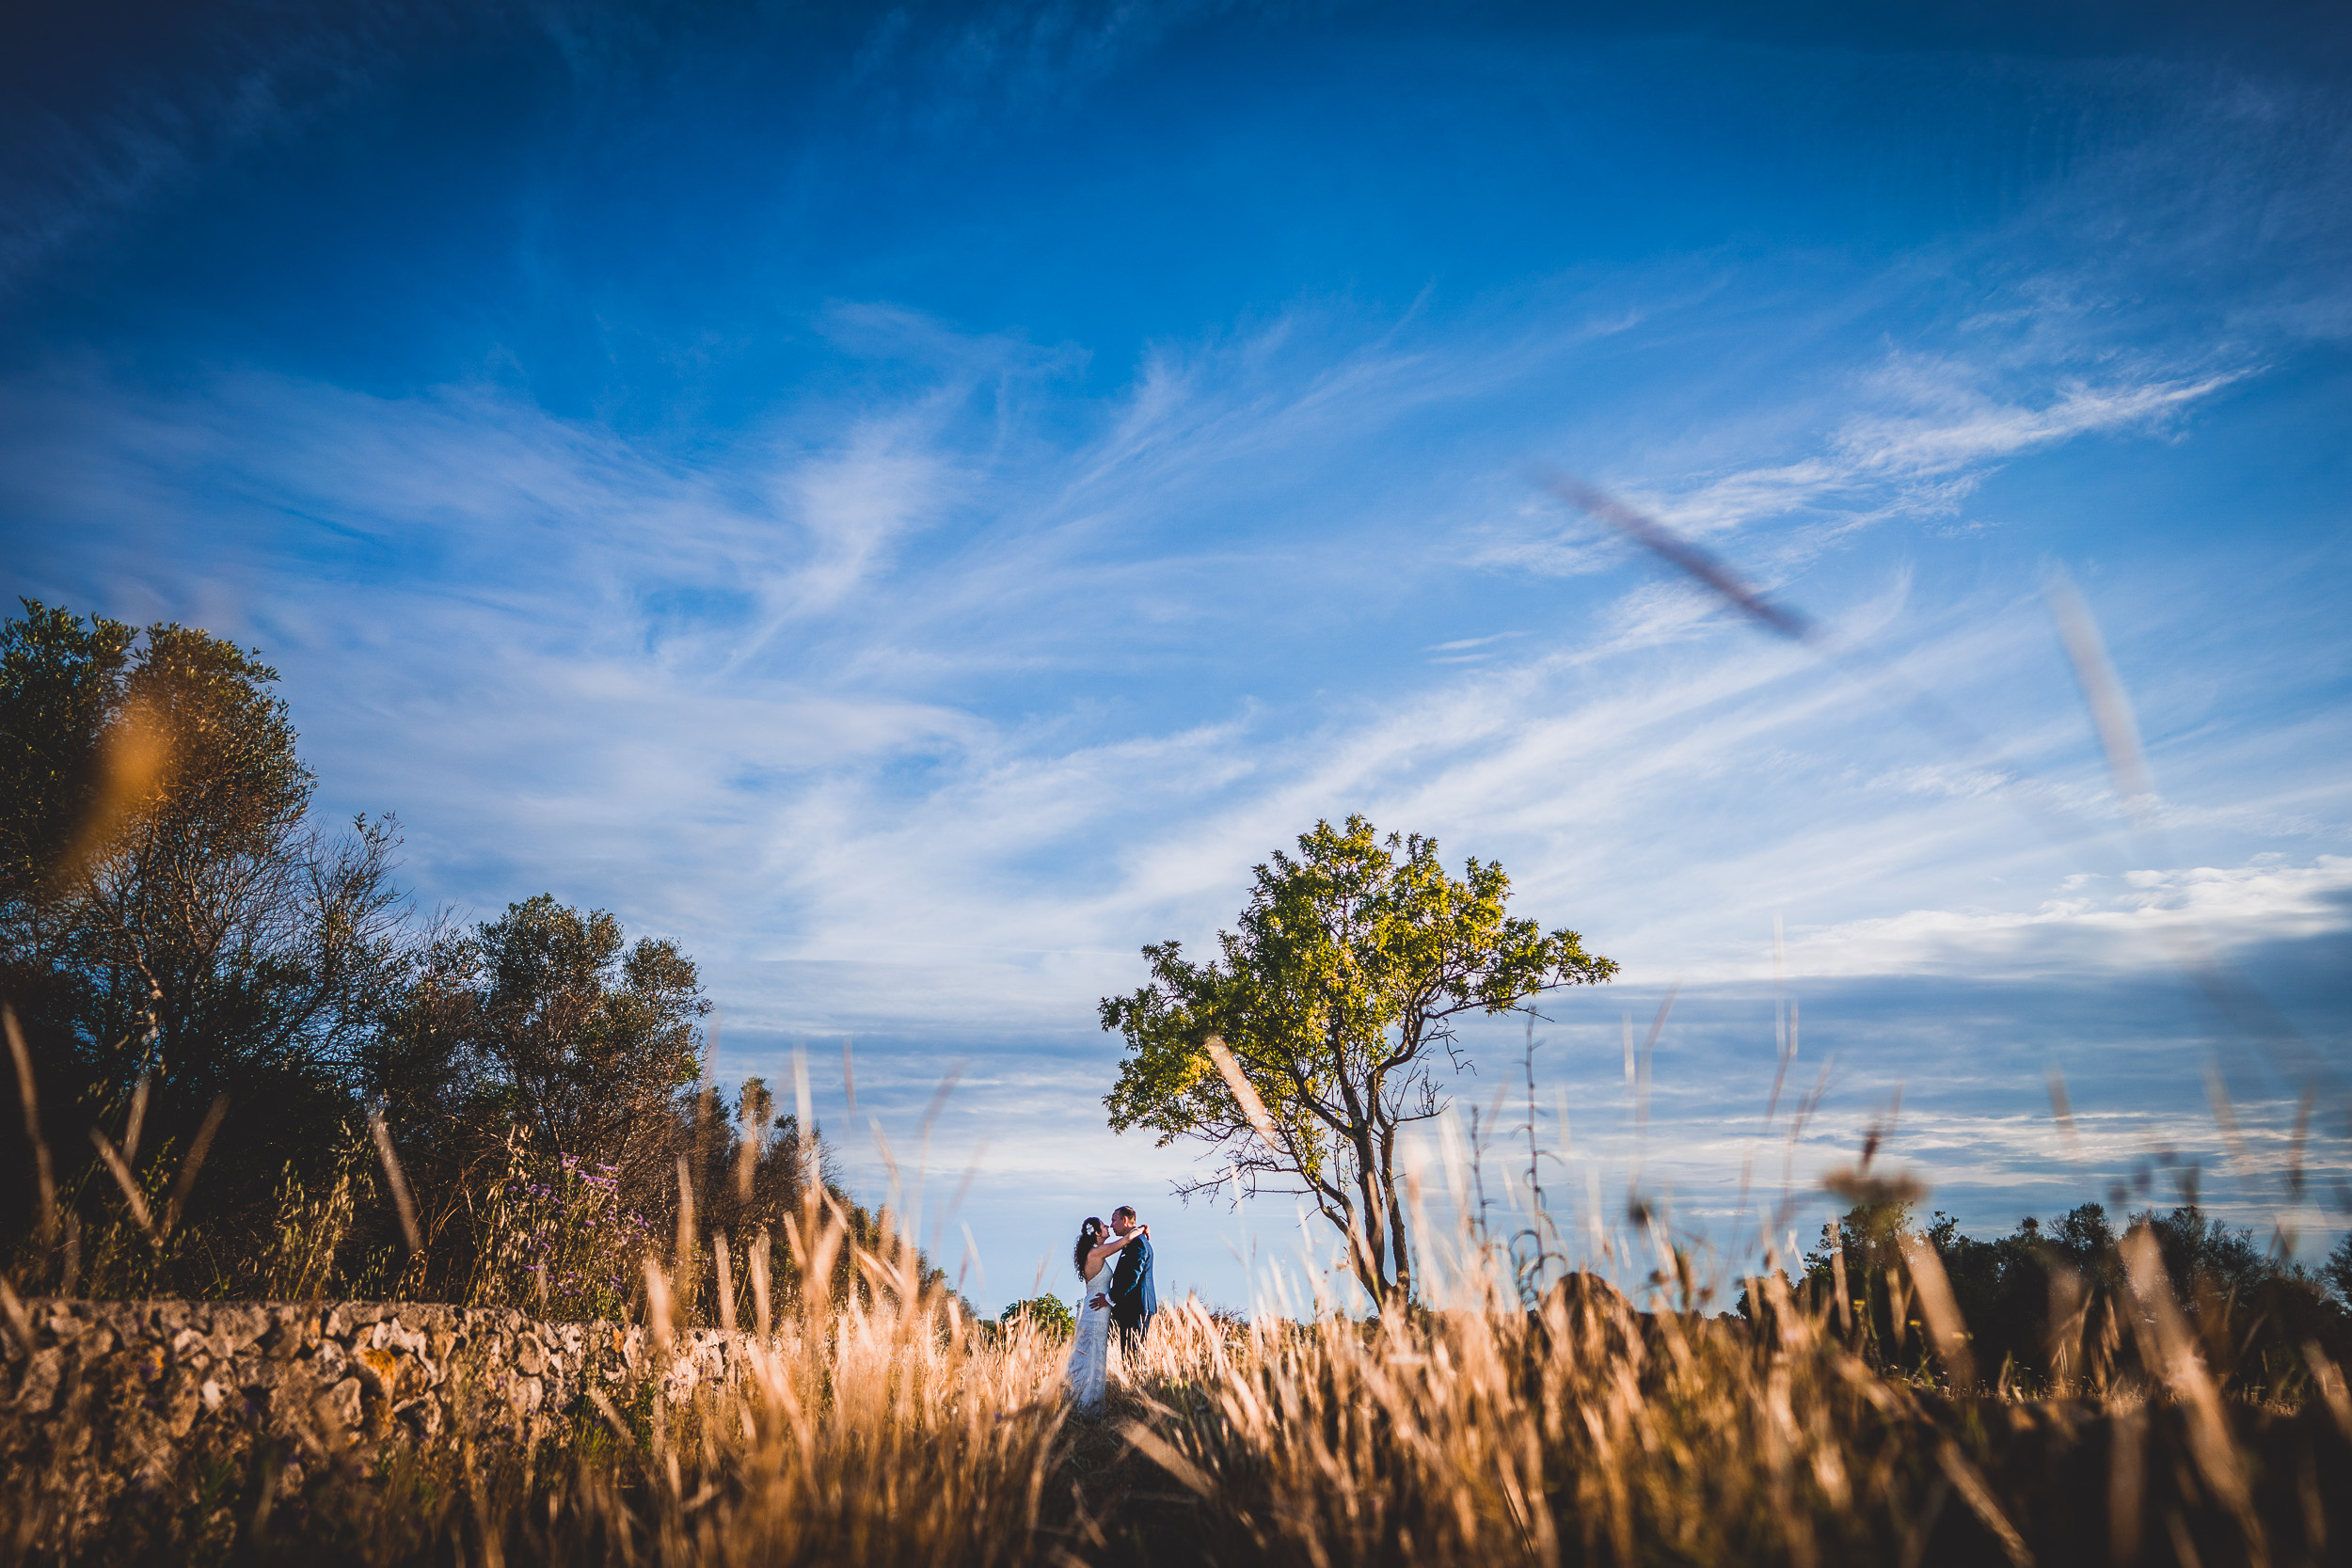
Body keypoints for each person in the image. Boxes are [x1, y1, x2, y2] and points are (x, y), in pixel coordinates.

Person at [1063, 1213, 1148, 1407]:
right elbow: (1126, 1239)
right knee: (1091, 1356)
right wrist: (1143, 1228)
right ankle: (1085, 1405)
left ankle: (1087, 1402)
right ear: (1097, 1234)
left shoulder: (1094, 1251)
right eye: (1104, 1226)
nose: (1108, 1227)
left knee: (1094, 1355)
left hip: (1097, 1308)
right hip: (1096, 1309)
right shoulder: (1096, 1252)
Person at [1106, 1204, 1157, 1355]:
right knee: (1129, 1353)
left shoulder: (1138, 1243)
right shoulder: (1133, 1242)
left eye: (1114, 1220)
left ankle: (1137, 1379)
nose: (1111, 1225)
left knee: (1133, 1354)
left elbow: (1132, 1276)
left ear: (1125, 1220)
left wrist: (1110, 1298)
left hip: (1136, 1307)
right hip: (1131, 1308)